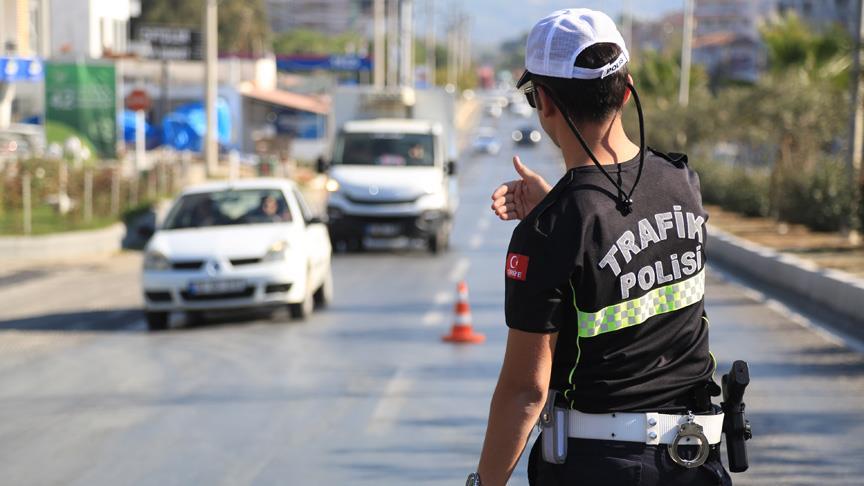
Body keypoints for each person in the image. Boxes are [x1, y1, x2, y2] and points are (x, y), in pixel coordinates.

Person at [467, 9, 733, 486]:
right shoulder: (682, 184)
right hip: (696, 463)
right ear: (627, 90)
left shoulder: (552, 230)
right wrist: (556, 207)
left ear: (544, 101)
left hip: (599, 467)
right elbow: (630, 243)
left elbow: (526, 392)